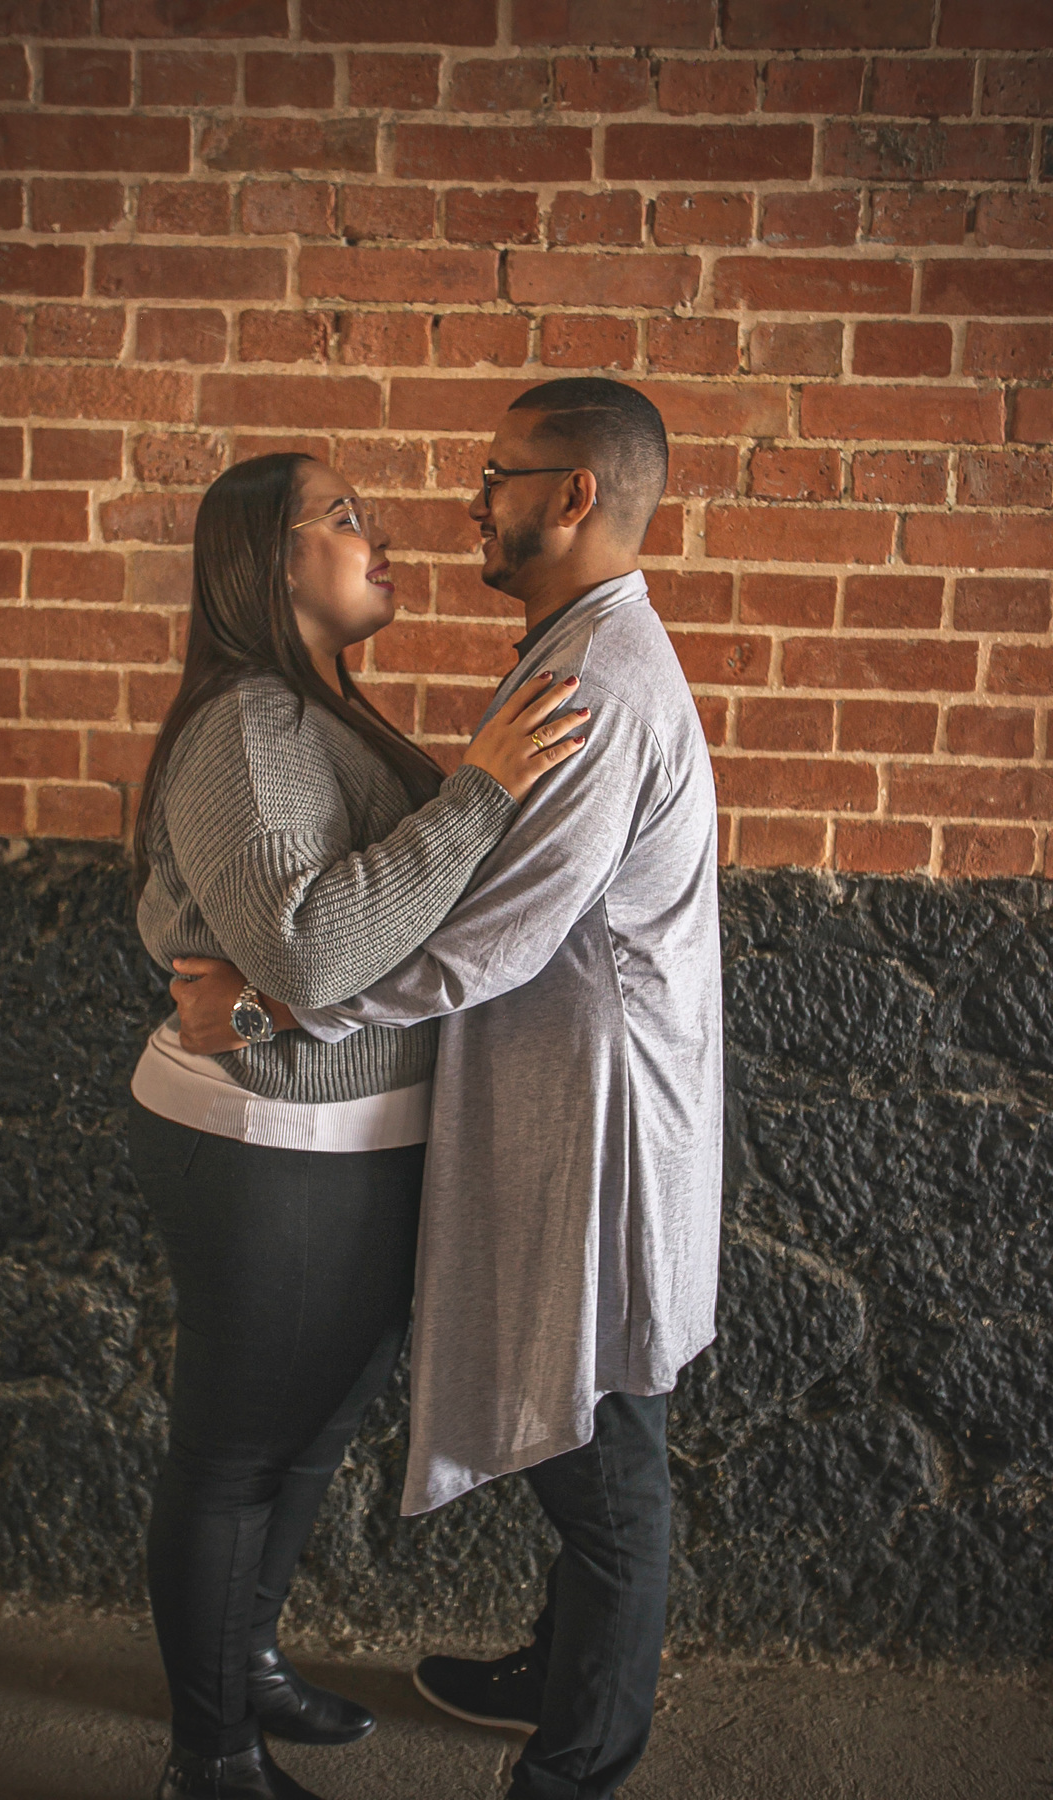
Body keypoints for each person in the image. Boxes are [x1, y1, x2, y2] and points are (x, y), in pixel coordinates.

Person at [174, 378, 724, 1800]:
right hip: (521, 1106)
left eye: (497, 477)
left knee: (606, 1458)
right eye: (344, 515)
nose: (468, 505)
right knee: (580, 1420)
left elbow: (496, 935)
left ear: (574, 495)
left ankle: (576, 1763)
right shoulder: (562, 655)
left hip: (595, 1121)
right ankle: (553, 1672)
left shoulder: (595, 681)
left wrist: (275, 1005)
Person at [128, 450, 590, 1800]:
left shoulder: (320, 712)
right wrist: (482, 793)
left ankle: (246, 1662)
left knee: (313, 1432)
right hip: (264, 1144)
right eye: (341, 517)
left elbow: (353, 940)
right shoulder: (251, 724)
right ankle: (211, 1757)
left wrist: (278, 996)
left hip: (346, 1134)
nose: (377, 534)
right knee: (236, 1454)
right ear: (267, 562)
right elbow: (316, 947)